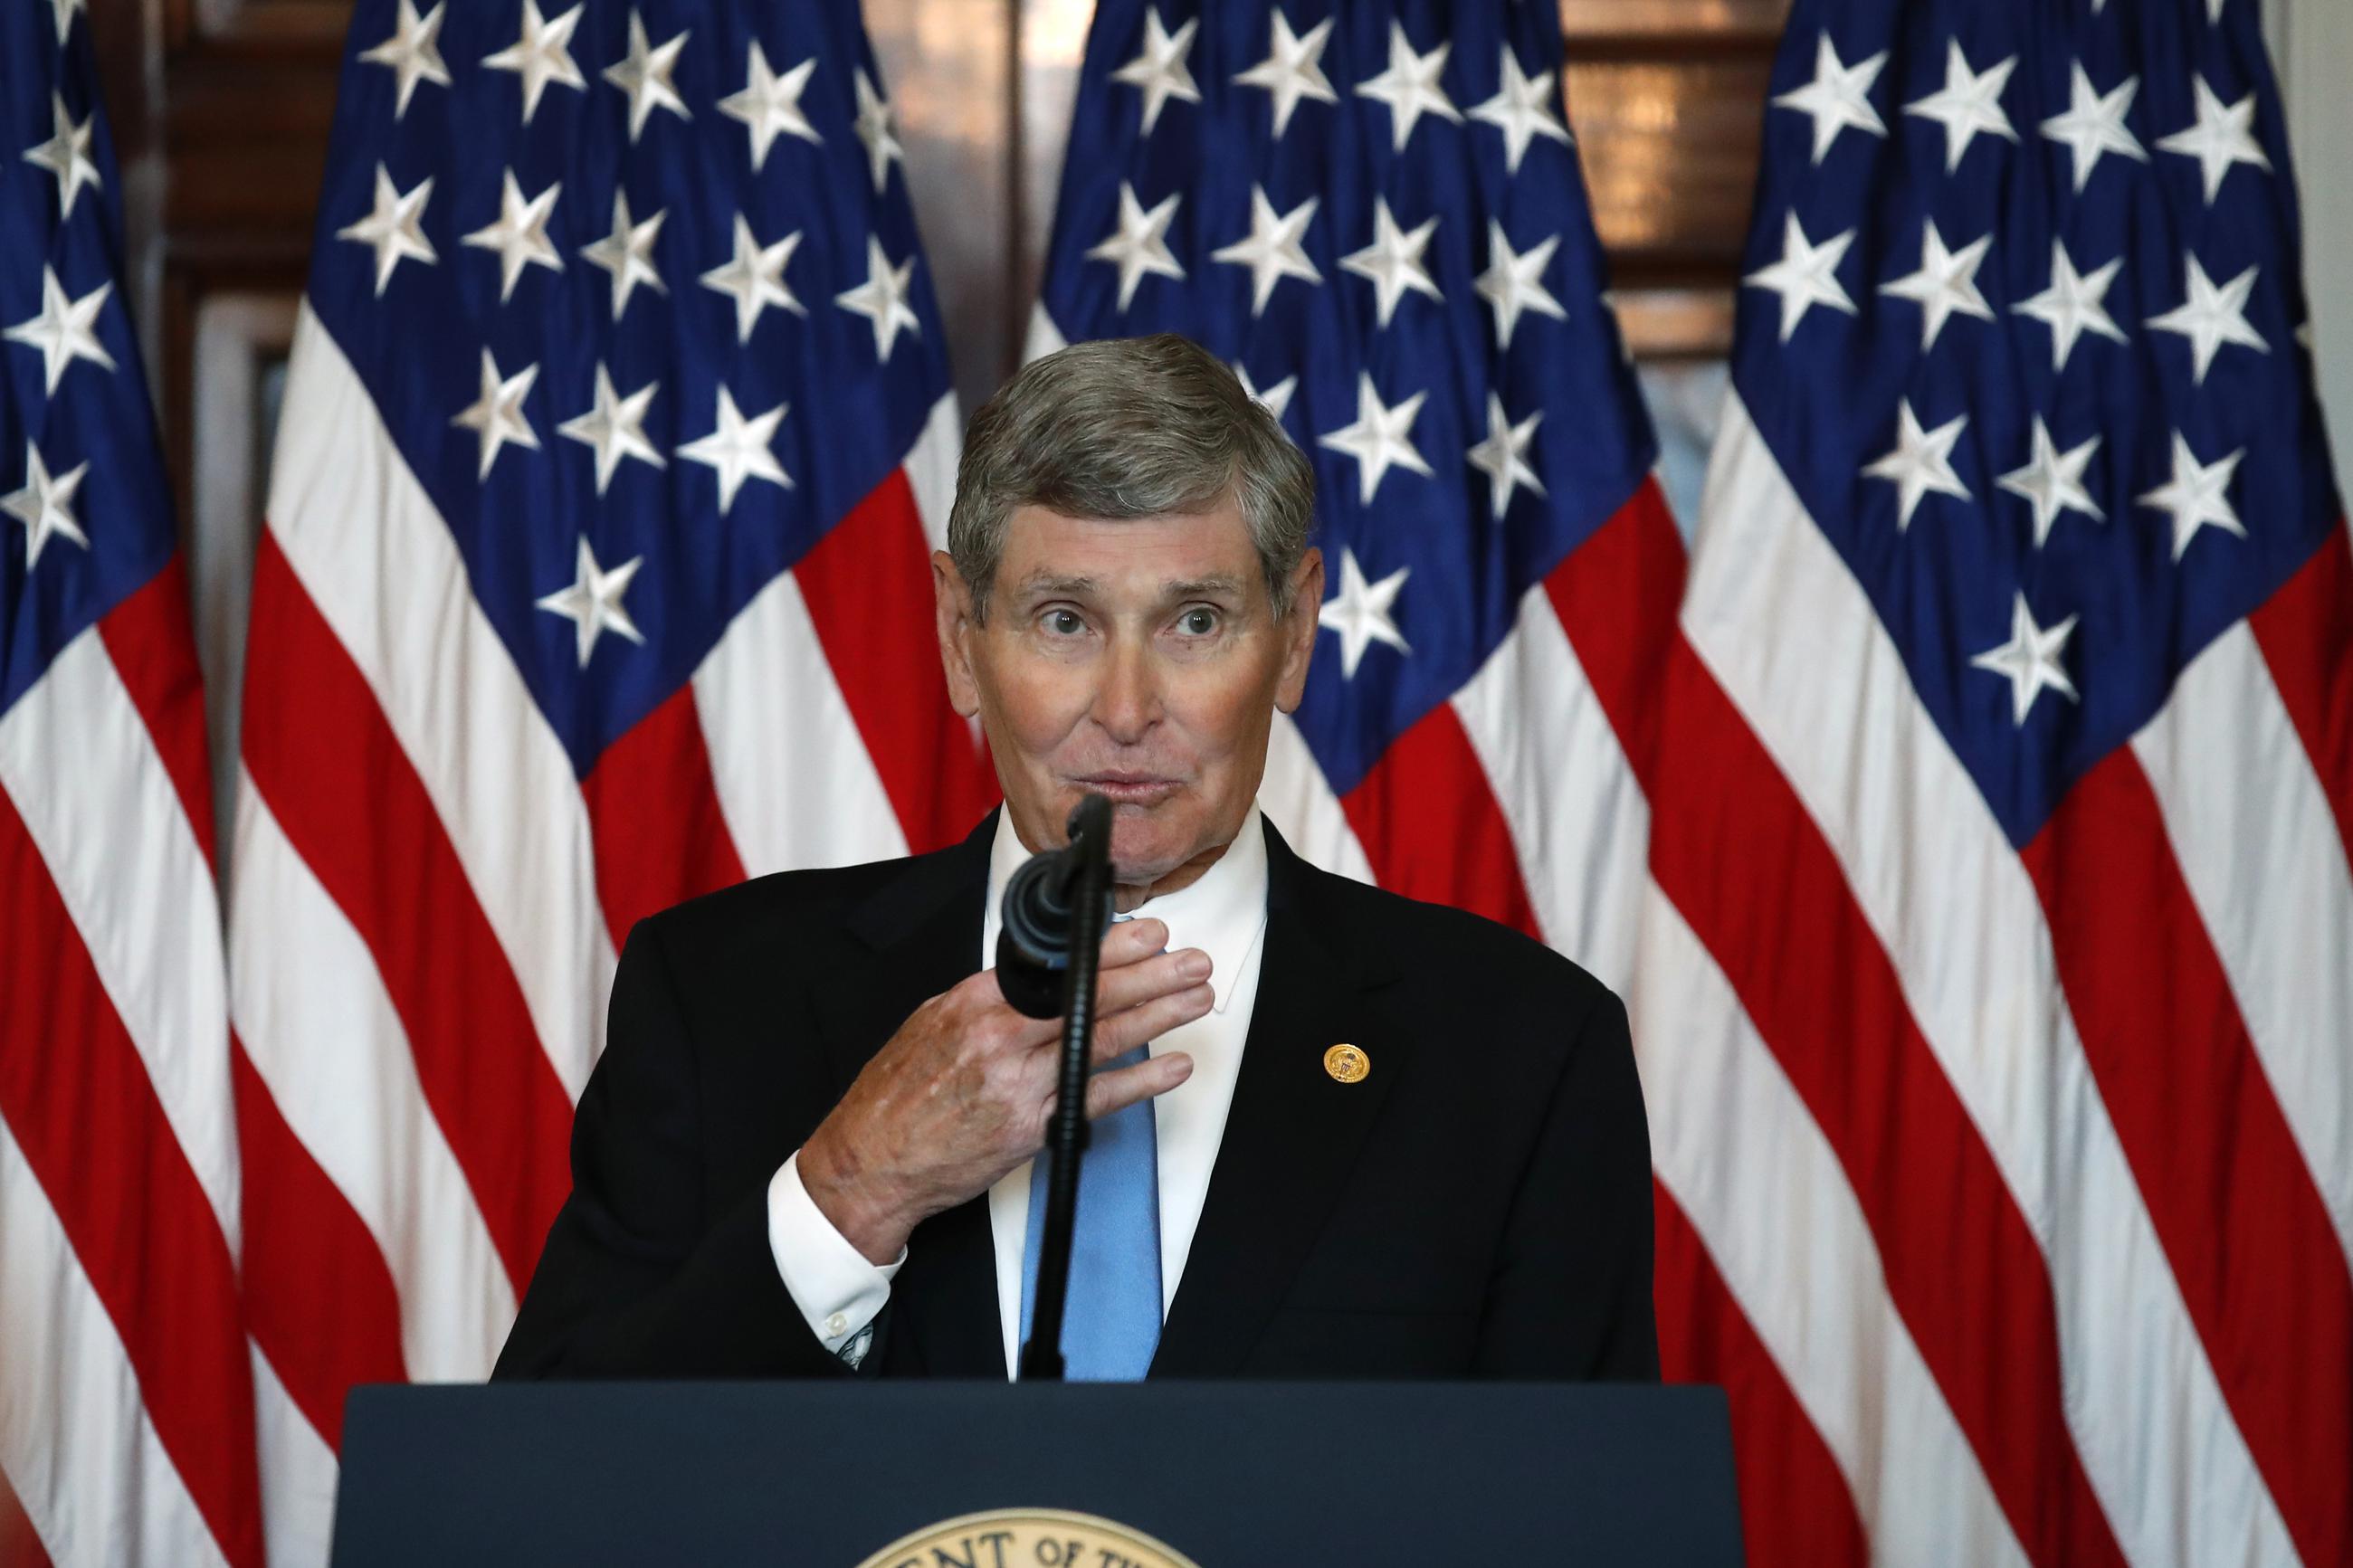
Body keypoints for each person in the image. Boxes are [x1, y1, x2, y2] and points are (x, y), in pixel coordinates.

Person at [494, 333, 1657, 1383]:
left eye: (1194, 620)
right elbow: (545, 1492)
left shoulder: (1520, 1053)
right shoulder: (716, 998)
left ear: (1294, 635)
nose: (1126, 708)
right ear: (963, 638)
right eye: (1063, 619)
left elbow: (1582, 1525)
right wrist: (856, 1185)